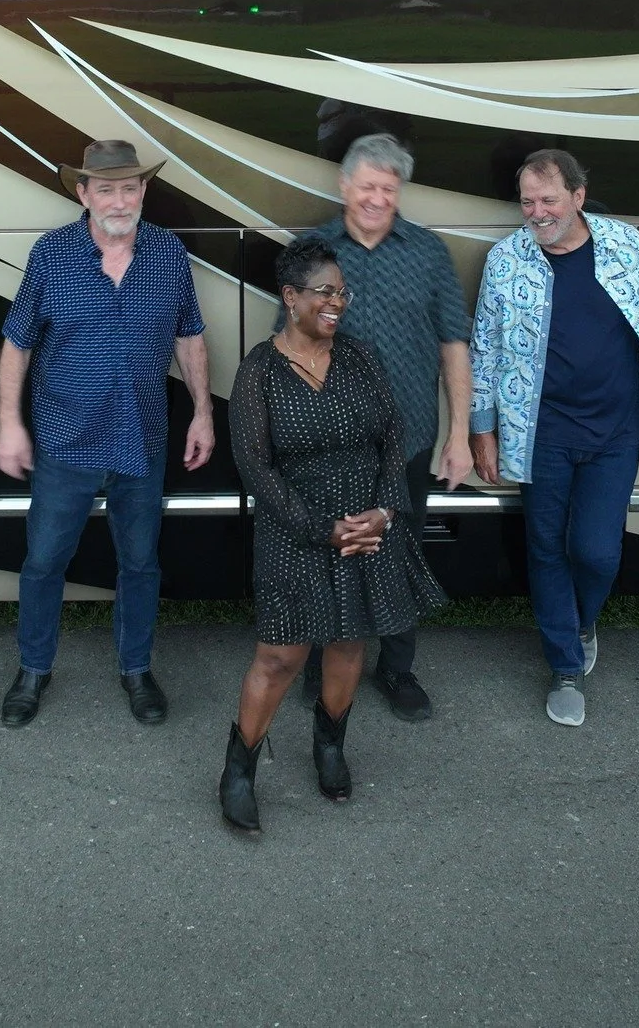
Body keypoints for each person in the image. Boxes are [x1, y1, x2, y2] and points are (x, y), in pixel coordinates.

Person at [218, 237, 446, 834]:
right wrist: (323, 528)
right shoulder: (258, 372)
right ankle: (239, 768)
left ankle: (329, 745)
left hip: (365, 526)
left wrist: (385, 513)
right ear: (290, 297)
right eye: (325, 292)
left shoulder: (362, 357)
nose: (337, 302)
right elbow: (256, 469)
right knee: (281, 655)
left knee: (349, 642)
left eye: (342, 292)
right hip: (295, 531)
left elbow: (395, 437)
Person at [0, 140, 215, 729]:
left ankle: (136, 669)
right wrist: (9, 422)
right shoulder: (52, 255)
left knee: (140, 562)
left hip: (141, 436)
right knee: (44, 561)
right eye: (107, 188)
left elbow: (189, 335)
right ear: (83, 193)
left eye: (130, 187)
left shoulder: (168, 253)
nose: (120, 199)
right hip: (65, 438)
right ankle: (33, 670)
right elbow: (17, 342)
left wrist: (202, 411)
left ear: (143, 192)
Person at [468, 149, 639, 728]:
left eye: (548, 200)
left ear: (578, 197)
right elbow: (485, 350)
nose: (537, 213)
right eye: (528, 202)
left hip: (615, 431)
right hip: (540, 432)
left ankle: (583, 620)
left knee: (596, 550)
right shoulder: (506, 260)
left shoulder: (624, 247)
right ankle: (564, 665)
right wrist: (482, 429)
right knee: (545, 546)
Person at [291, 133, 469, 722]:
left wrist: (460, 433)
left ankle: (397, 668)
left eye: (388, 189)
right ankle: (318, 660)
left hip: (407, 437)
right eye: (367, 186)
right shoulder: (311, 251)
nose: (376, 198)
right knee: (326, 545)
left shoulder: (427, 252)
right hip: (326, 437)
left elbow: (453, 343)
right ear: (344, 186)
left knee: (397, 551)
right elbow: (288, 344)